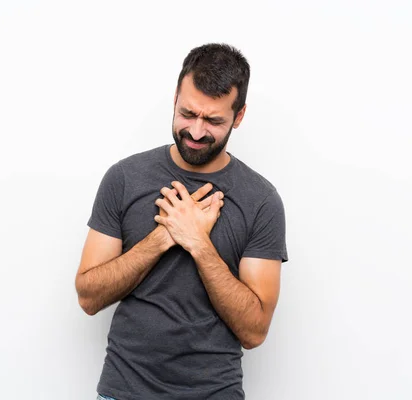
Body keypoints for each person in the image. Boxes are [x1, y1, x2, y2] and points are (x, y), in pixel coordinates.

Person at [75, 43, 289, 400]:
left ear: (239, 116)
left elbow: (254, 331)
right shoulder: (125, 178)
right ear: (175, 97)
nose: (196, 130)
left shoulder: (261, 201)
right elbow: (88, 297)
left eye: (214, 120)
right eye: (188, 113)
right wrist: (162, 238)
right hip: (124, 391)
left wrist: (199, 243)